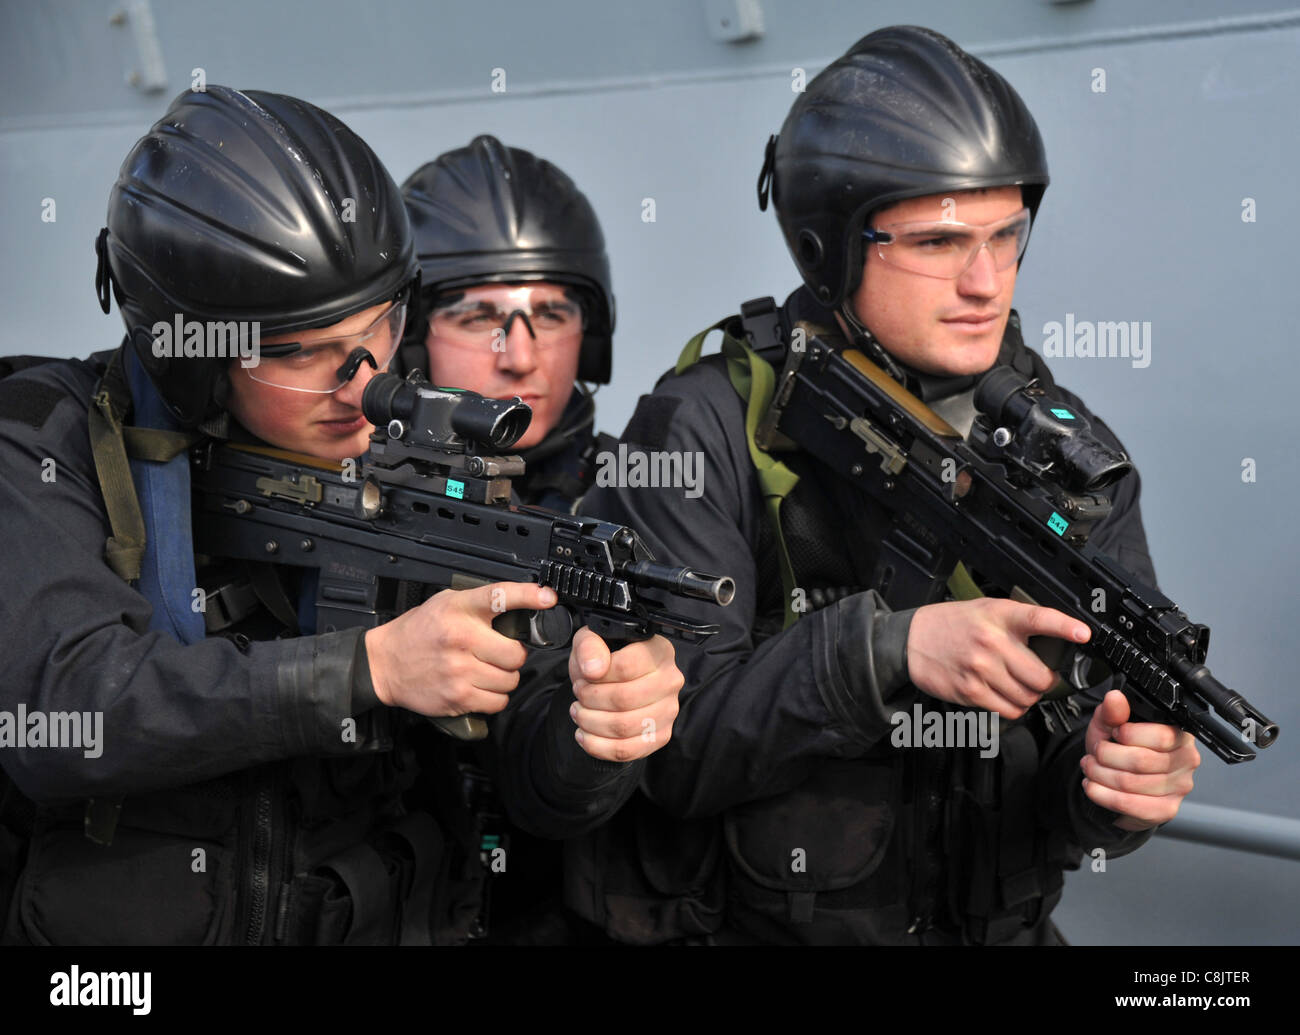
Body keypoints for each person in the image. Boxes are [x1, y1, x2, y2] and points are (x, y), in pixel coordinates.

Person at [0, 87, 681, 945]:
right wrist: (366, 669)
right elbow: (65, 714)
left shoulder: (416, 468)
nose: (360, 386)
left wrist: (597, 731)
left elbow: (531, 791)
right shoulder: (42, 440)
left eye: (377, 333)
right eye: (298, 352)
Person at [567, 25, 1200, 945]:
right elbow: (671, 756)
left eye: (1006, 235)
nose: (986, 282)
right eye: (939, 242)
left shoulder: (1061, 445)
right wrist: (887, 652)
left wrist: (1118, 787)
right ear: (831, 245)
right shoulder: (706, 427)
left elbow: (1078, 758)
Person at [397, 136, 642, 941]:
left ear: (590, 334)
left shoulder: (646, 499)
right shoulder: (352, 499)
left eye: (552, 313)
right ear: (411, 336)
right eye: (477, 316)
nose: (521, 356)